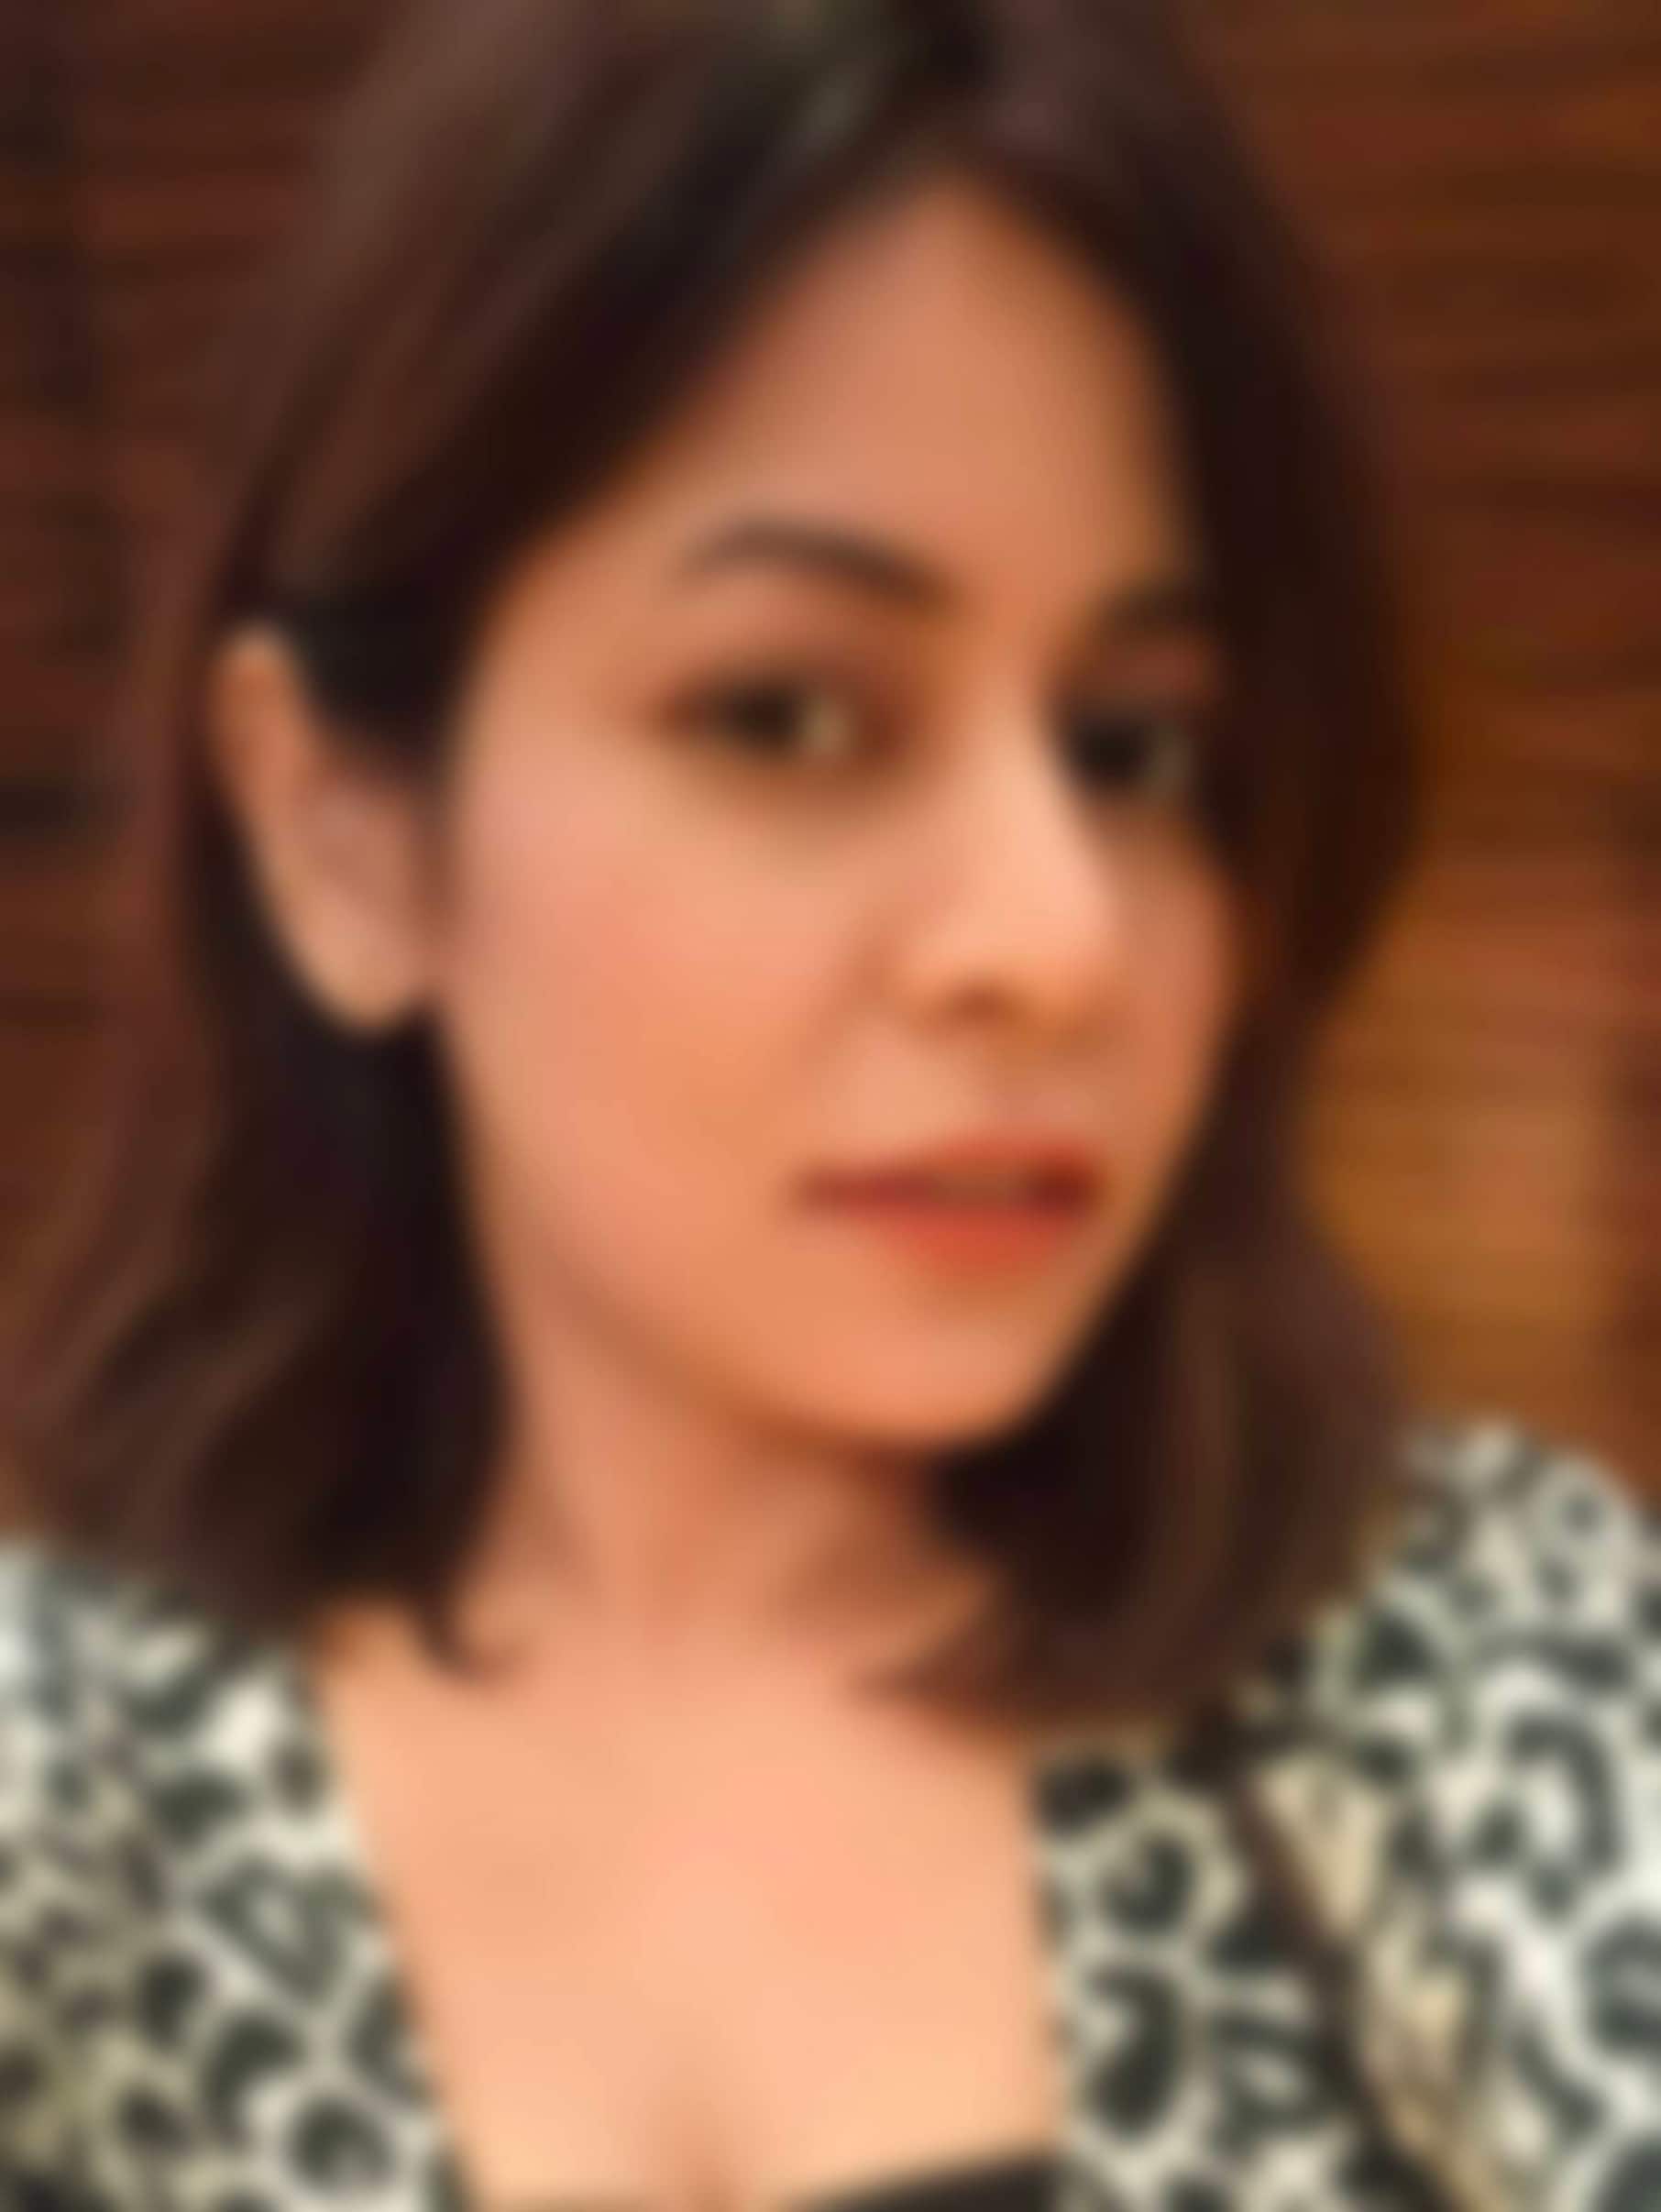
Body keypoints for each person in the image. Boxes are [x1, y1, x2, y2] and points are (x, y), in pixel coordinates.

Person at [0, 1, 1656, 2207]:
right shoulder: (67, 1789)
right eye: (788, 714)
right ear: (346, 836)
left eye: (1138, 746)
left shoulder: (1472, 1656)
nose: (1055, 938)